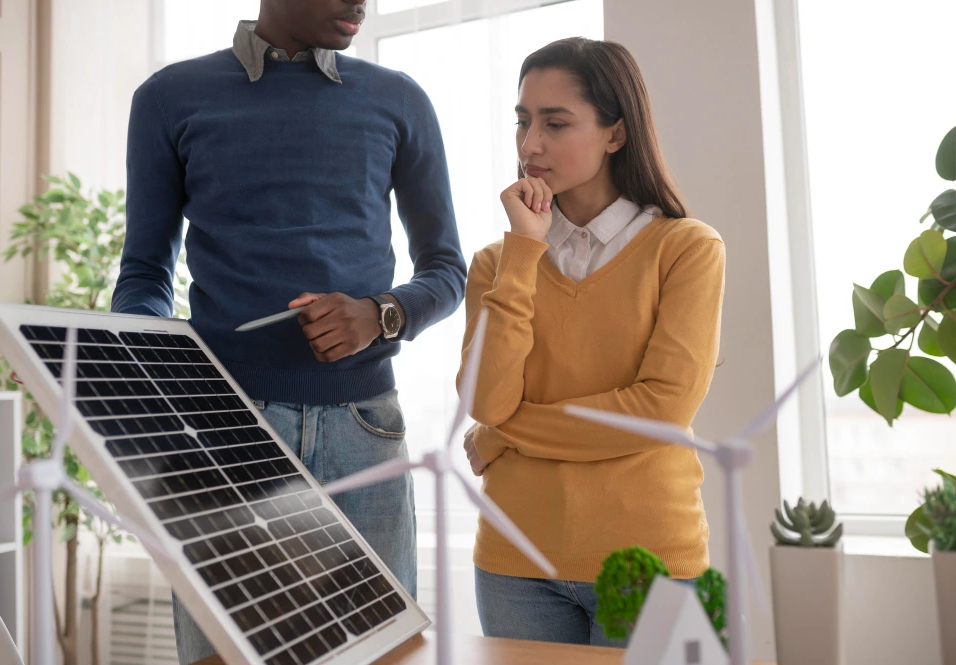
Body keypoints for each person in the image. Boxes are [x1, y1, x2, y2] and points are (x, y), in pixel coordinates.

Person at [111, 1, 466, 662]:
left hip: (364, 432)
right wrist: (130, 352)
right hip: (222, 431)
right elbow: (145, 272)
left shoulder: (399, 101)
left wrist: (378, 314)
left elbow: (447, 271)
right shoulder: (169, 98)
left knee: (379, 652)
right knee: (226, 654)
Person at [458, 37, 725, 647]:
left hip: (652, 564)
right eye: (523, 121)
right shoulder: (497, 262)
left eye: (556, 123)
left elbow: (661, 410)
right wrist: (524, 251)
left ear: (615, 133)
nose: (530, 145)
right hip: (512, 565)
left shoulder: (686, 249)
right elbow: (485, 399)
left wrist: (506, 432)